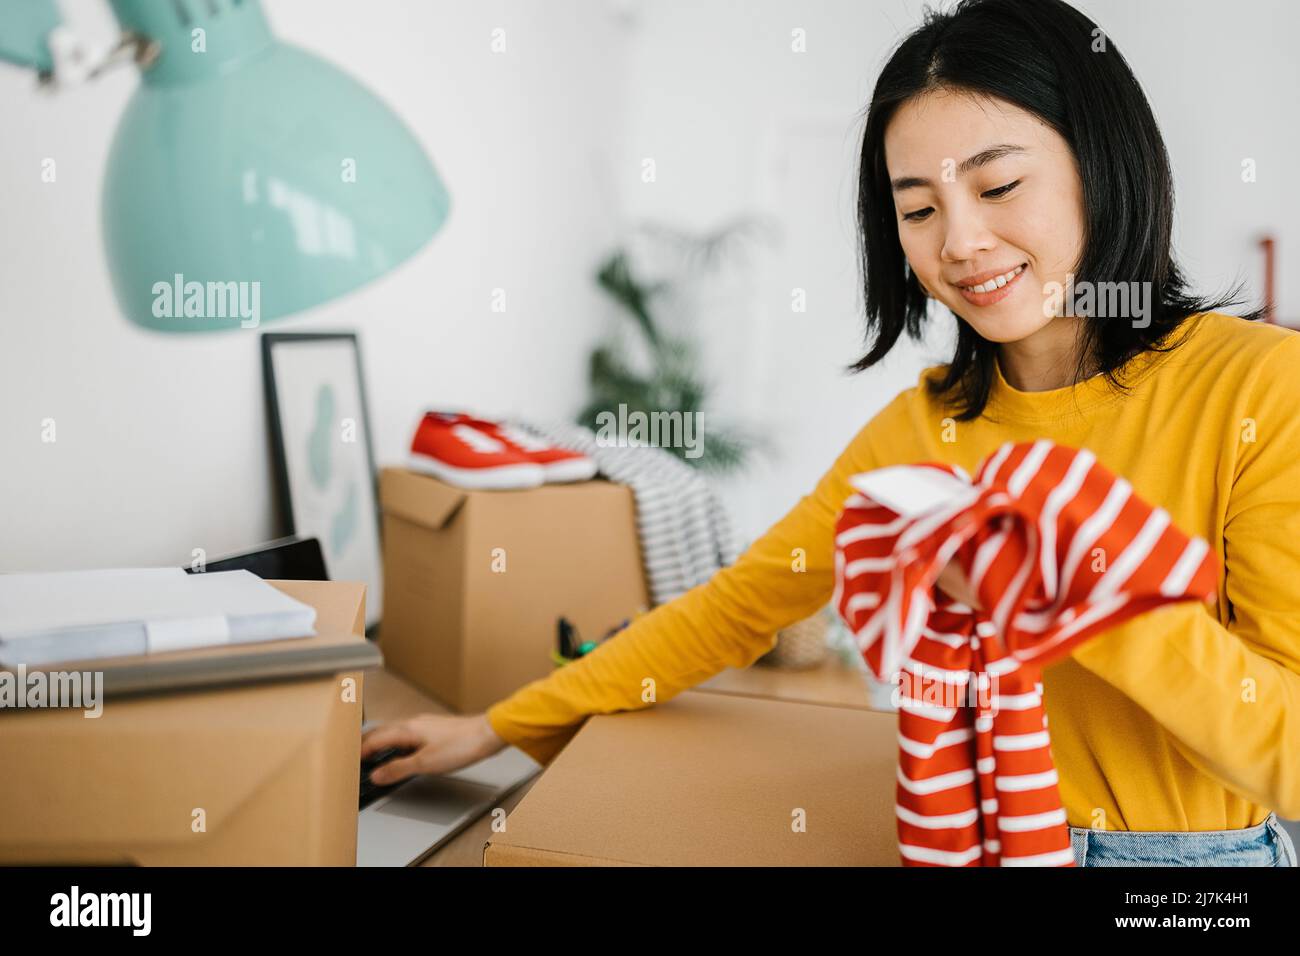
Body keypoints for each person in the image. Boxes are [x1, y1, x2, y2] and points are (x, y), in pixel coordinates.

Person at [362, 0, 1300, 866]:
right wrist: (496, 727)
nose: (960, 243)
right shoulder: (920, 429)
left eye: (1000, 184)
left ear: (1105, 163)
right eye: (919, 210)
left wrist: (1082, 594)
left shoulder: (1262, 386)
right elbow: (730, 611)